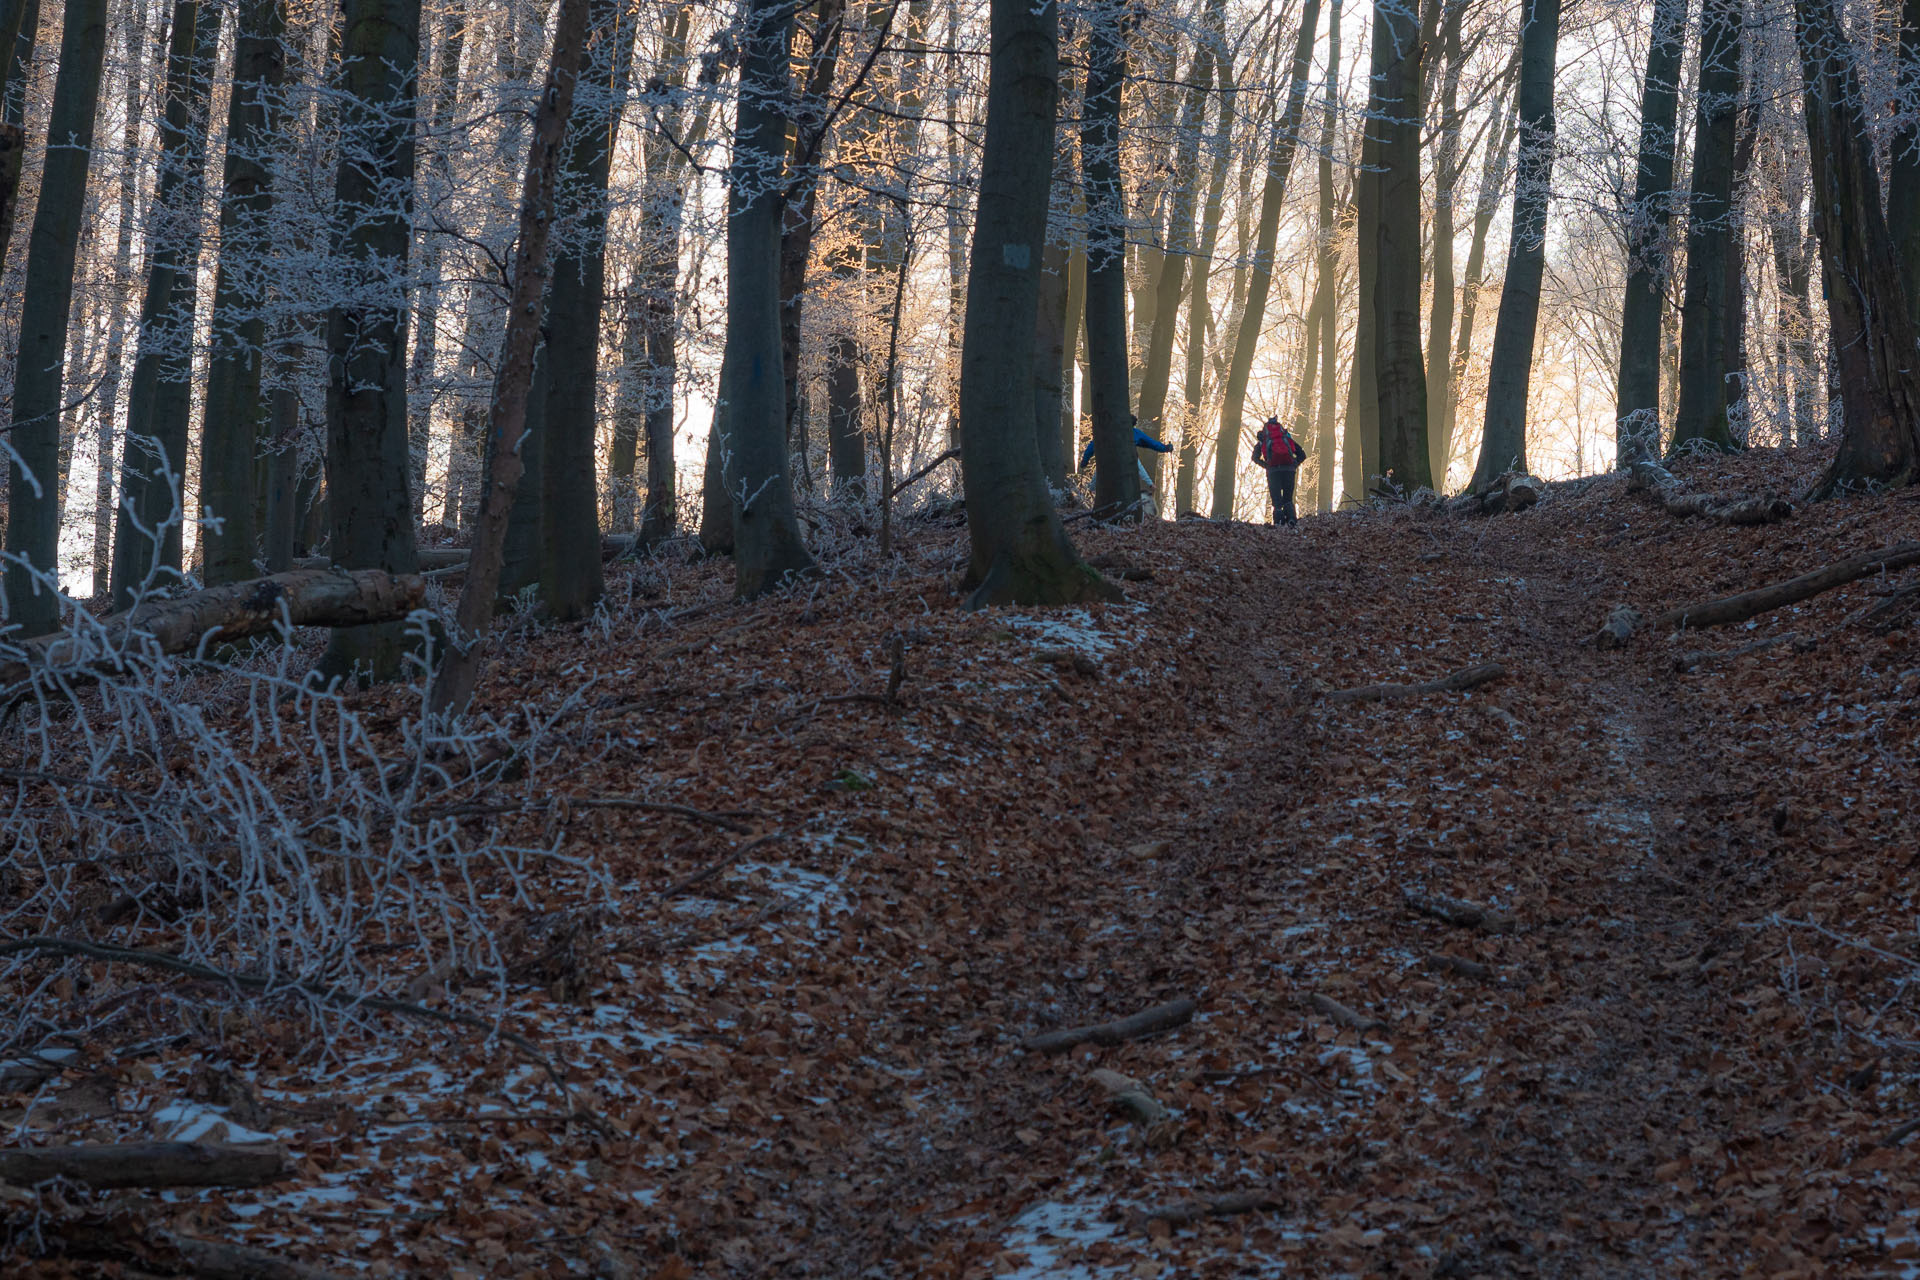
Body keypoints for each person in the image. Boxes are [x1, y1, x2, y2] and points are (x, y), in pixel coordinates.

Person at [1080, 417, 1174, 494]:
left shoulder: (1108, 431)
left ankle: (1092, 491)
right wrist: (1165, 448)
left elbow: (1092, 446)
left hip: (1109, 461)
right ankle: (1150, 485)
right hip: (1127, 460)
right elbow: (1151, 443)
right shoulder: (1135, 433)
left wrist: (1085, 461)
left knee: (1100, 472)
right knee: (1135, 464)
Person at [1250, 415, 1307, 525]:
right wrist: (1294, 464)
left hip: (1273, 472)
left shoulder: (1263, 440)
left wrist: (1266, 465)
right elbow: (1302, 454)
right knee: (1288, 498)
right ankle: (1291, 521)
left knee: (1276, 500)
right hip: (1289, 470)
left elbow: (1254, 458)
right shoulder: (1286, 438)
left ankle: (1278, 524)